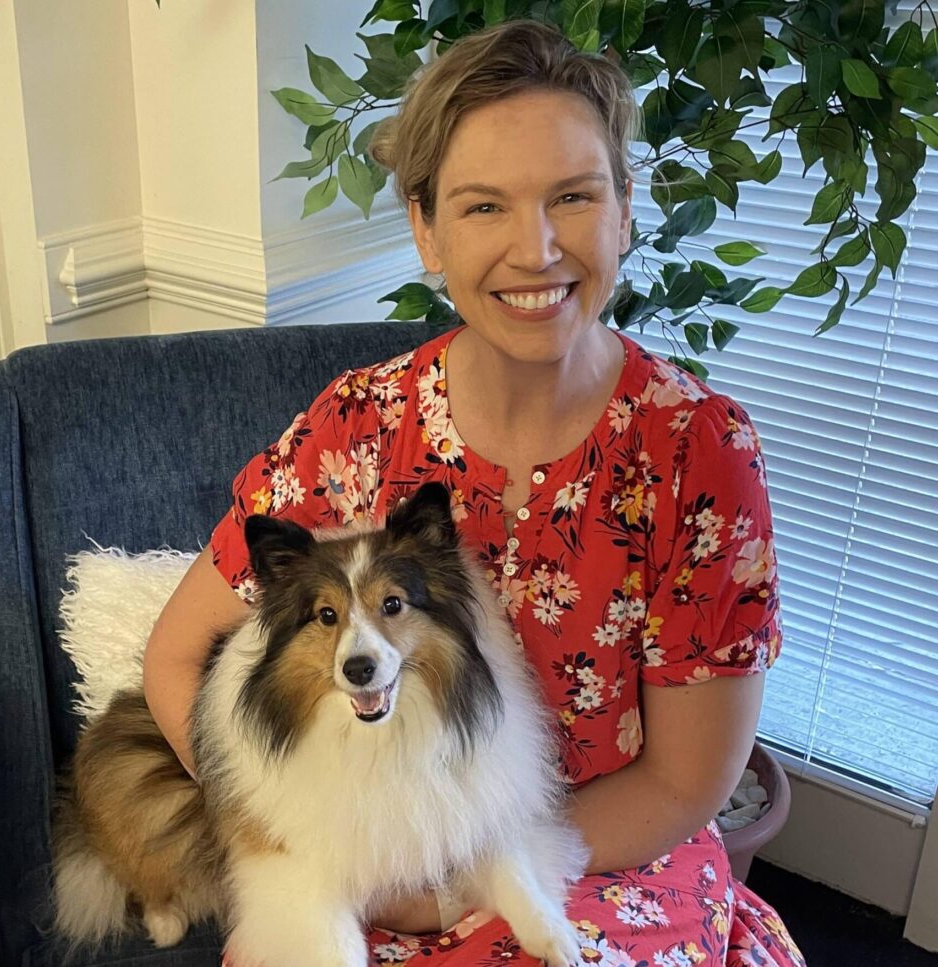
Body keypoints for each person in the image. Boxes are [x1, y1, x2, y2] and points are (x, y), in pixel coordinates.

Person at [143, 19, 806, 967]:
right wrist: (291, 828)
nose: (534, 249)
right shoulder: (355, 426)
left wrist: (458, 883)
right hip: (361, 860)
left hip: (601, 857)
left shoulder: (697, 452)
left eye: (572, 195)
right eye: (484, 206)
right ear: (427, 230)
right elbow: (174, 658)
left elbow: (682, 782)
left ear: (624, 208)